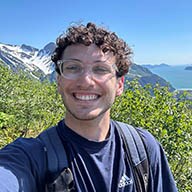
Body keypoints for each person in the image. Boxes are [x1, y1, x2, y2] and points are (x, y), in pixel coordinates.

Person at [0, 22, 177, 192]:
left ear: (119, 85)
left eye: (100, 69)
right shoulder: (32, 157)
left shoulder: (144, 148)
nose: (85, 81)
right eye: (73, 67)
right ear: (59, 81)